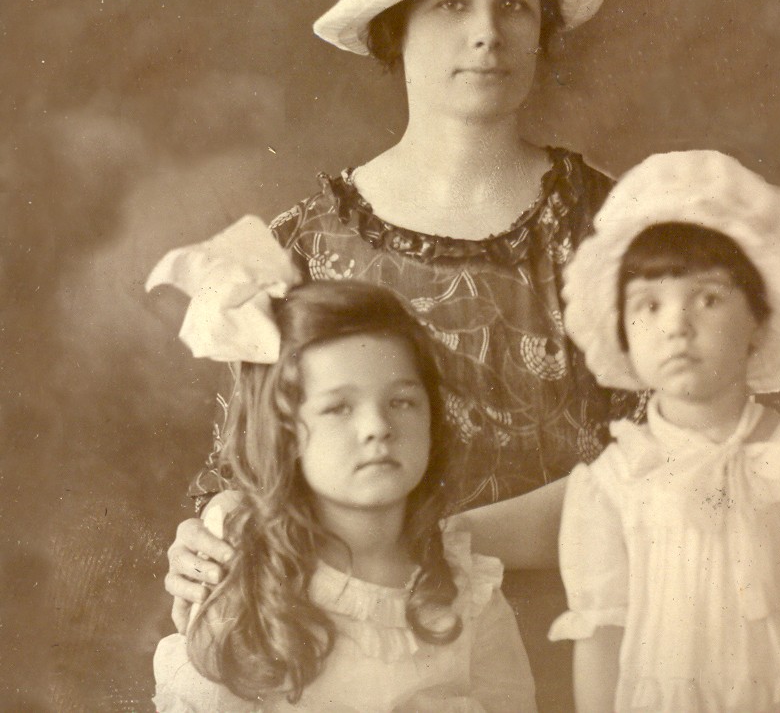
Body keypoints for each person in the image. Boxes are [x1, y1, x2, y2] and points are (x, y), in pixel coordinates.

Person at [160, 0, 629, 711]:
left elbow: (665, 476)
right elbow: (250, 463)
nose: (486, 33)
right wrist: (212, 535)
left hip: (588, 639)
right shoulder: (304, 245)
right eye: (451, 3)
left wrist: (432, 543)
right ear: (395, 30)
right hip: (363, 655)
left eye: (515, 4)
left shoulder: (615, 226)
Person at [549, 149, 780, 712]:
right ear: (622, 334)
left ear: (759, 320)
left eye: (708, 299)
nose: (677, 326)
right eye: (648, 305)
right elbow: (600, 640)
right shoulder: (614, 484)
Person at [148, 216, 538, 712]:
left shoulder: (468, 590)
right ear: (286, 433)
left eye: (402, 401)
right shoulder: (251, 582)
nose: (377, 427)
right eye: (339, 408)